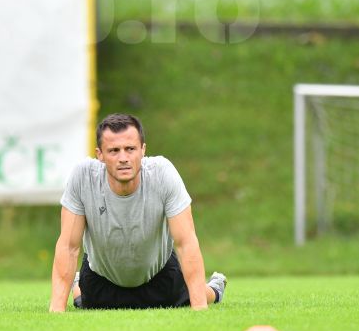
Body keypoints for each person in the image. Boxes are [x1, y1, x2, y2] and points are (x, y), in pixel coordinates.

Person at [49, 112, 226, 311]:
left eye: (130, 149)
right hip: (101, 278)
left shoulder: (163, 173)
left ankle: (215, 288)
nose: (123, 158)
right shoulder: (83, 176)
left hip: (160, 276)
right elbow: (69, 247)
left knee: (196, 296)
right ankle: (78, 284)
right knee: (83, 302)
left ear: (142, 150)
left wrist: (200, 307)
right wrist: (56, 310)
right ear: (100, 155)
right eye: (114, 151)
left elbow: (186, 243)